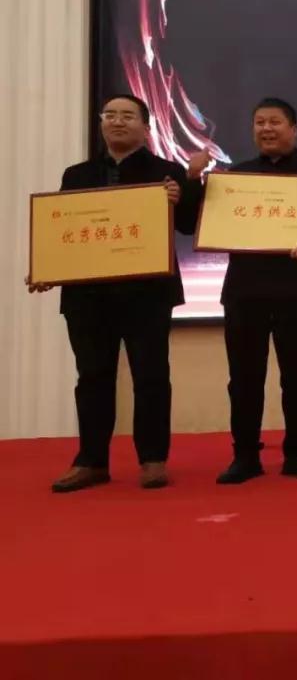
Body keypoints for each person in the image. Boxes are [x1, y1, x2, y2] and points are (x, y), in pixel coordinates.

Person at [27, 94, 208, 492]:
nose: (117, 121)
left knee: (151, 376)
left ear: (146, 127)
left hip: (147, 295)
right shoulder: (77, 175)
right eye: (109, 115)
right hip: (88, 298)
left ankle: (153, 460)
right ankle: (91, 461)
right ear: (101, 124)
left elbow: (186, 226)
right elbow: (64, 231)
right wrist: (45, 269)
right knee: (92, 377)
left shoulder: (166, 172)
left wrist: (184, 192)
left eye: (127, 115)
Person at [215, 98, 297, 484]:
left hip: (296, 292)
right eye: (260, 122)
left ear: (294, 129)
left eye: (275, 122)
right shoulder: (237, 177)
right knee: (243, 379)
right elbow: (216, 227)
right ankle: (245, 456)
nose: (266, 129)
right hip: (244, 292)